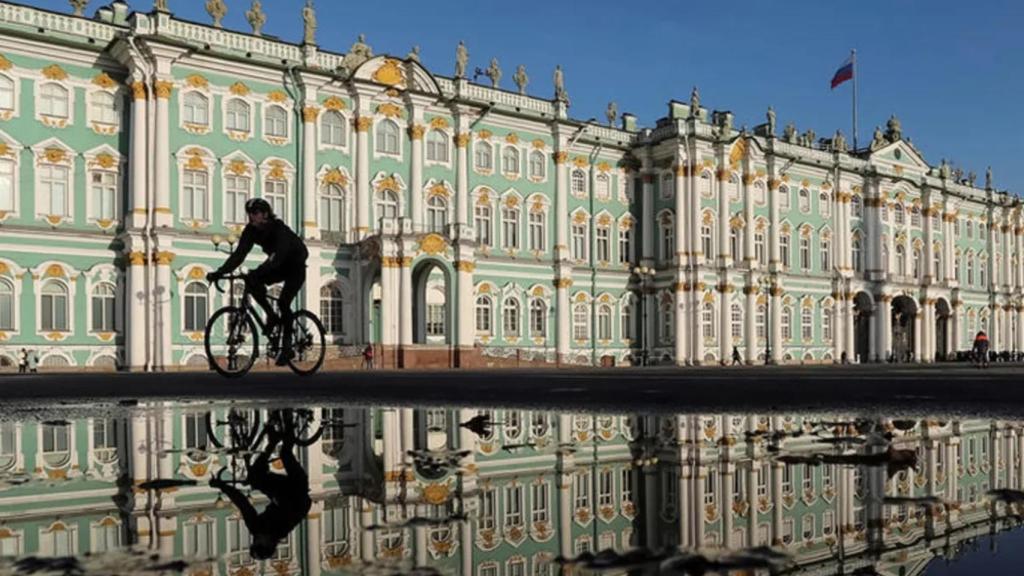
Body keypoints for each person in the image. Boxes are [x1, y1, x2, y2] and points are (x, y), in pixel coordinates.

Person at [207, 198, 309, 366]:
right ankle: (272, 316)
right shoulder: (251, 231)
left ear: (265, 214)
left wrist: (261, 269)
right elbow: (239, 255)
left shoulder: (279, 229)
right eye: (249, 213)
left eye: (255, 213)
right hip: (278, 264)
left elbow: (278, 256)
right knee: (252, 280)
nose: (251, 217)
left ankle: (288, 346)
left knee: (284, 302)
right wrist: (219, 272)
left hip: (295, 266)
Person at [209, 410, 312, 560]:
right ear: (270, 544)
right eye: (259, 543)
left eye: (254, 542)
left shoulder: (256, 528)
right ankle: (289, 421)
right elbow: (303, 505)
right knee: (285, 454)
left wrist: (223, 487)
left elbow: (242, 503)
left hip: (279, 492)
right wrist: (278, 497)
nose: (256, 539)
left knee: (255, 476)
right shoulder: (282, 528)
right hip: (297, 488)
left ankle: (272, 442)